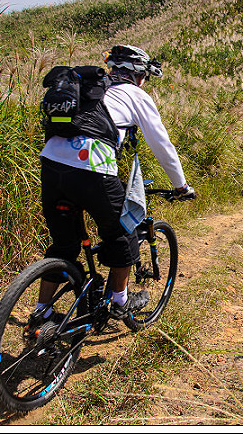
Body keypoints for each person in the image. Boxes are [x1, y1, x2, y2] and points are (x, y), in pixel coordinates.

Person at [36, 44, 195, 320]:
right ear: (139, 75)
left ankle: (42, 311)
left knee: (64, 246)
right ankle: (120, 300)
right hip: (91, 168)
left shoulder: (88, 89)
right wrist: (181, 185)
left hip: (51, 166)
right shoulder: (134, 94)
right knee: (123, 232)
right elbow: (162, 145)